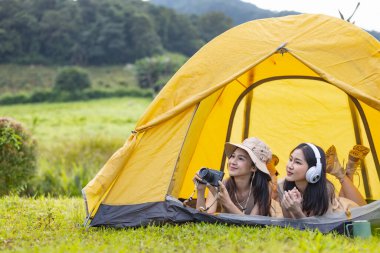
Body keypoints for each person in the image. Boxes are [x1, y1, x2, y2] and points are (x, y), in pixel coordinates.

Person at [193, 137, 281, 216]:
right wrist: (200, 191)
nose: (232, 162)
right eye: (232, 156)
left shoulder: (264, 187)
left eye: (241, 158)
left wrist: (227, 203)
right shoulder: (221, 184)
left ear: (253, 167)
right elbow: (205, 216)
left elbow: (253, 222)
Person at [279, 143, 358, 218]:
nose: (289, 166)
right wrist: (285, 206)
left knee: (365, 211)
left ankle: (347, 171)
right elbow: (288, 225)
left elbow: (319, 229)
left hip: (347, 212)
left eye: (297, 162)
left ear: (313, 170)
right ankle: (347, 170)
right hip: (336, 203)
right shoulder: (281, 185)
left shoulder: (325, 190)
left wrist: (297, 211)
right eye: (290, 159)